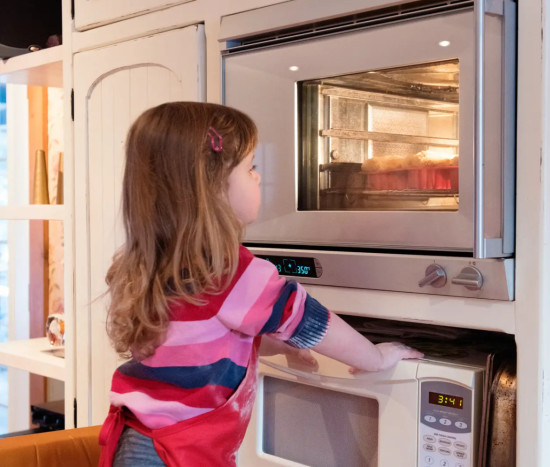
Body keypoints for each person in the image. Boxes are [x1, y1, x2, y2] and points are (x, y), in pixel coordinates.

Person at [98, 102, 423, 467]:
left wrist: (277, 346)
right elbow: (312, 323)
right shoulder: (231, 272)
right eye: (250, 168)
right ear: (212, 187)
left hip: (138, 442)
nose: (257, 177)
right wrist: (375, 357)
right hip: (176, 454)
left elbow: (209, 347)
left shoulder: (159, 263)